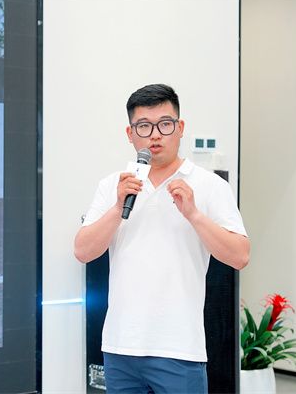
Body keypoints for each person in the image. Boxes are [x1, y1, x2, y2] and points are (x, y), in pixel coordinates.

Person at [74, 84, 250, 393]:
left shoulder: (209, 186)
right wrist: (117, 208)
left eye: (165, 125)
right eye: (144, 126)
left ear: (180, 128)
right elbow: (83, 251)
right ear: (130, 134)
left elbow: (240, 256)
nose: (155, 135)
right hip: (120, 347)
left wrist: (194, 214)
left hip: (179, 349)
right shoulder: (113, 186)